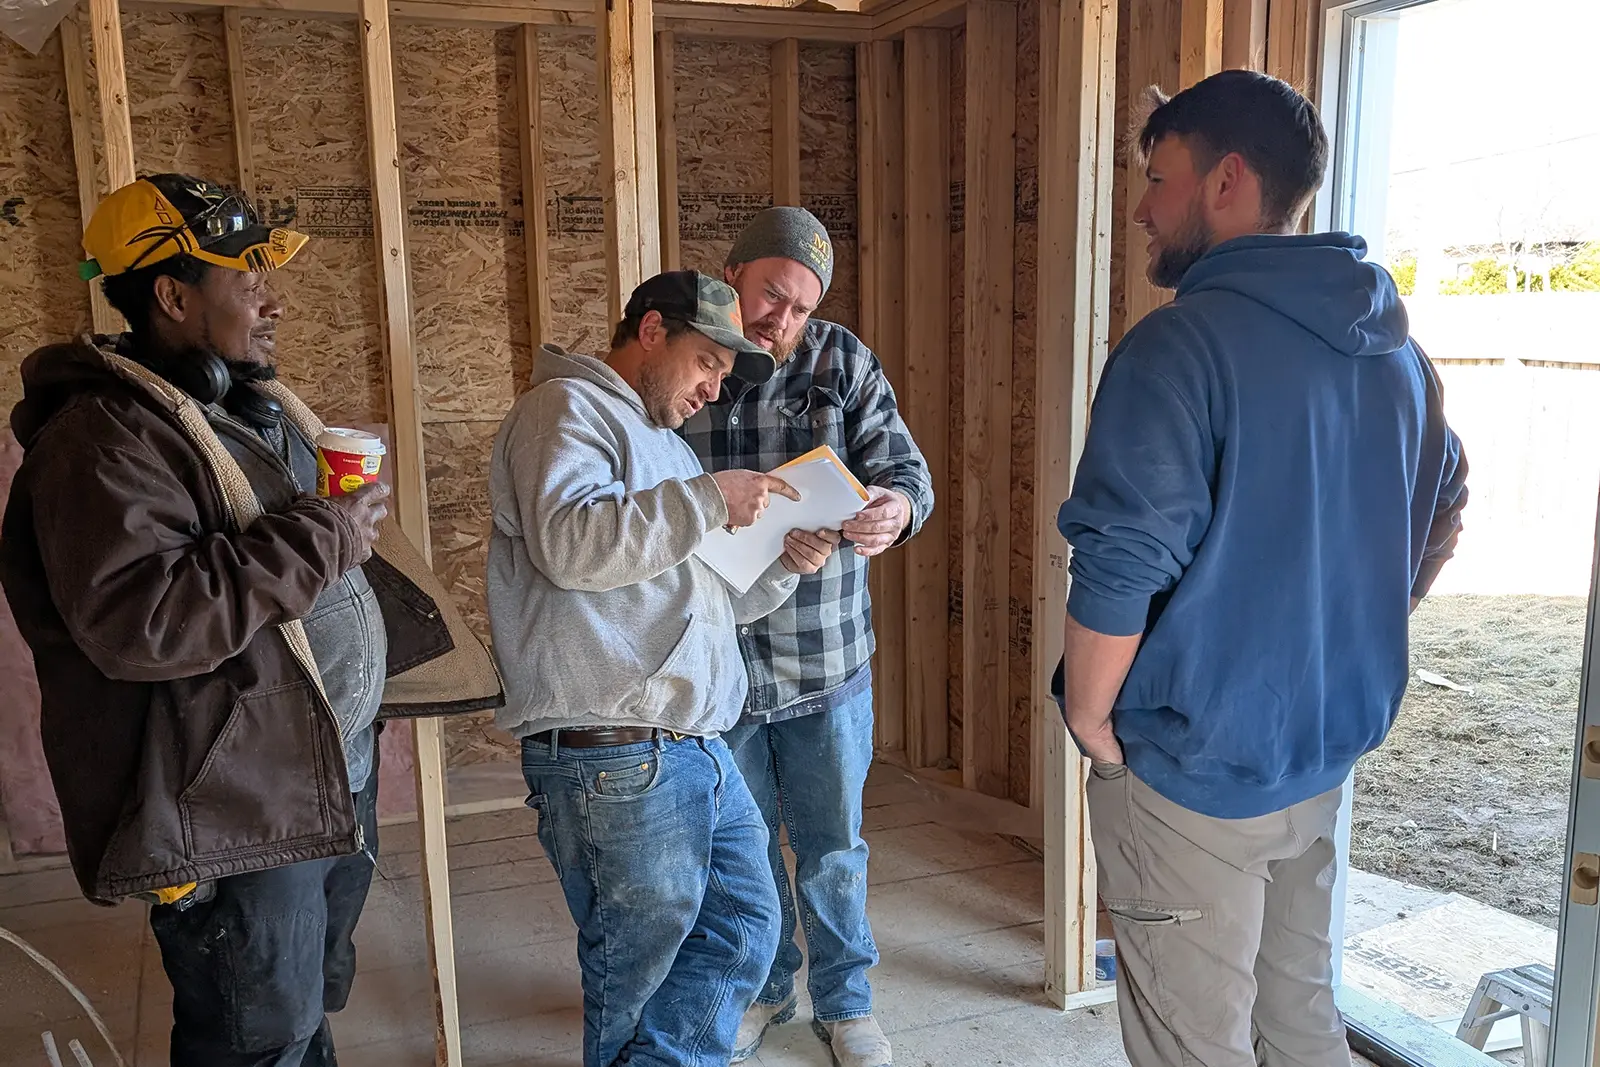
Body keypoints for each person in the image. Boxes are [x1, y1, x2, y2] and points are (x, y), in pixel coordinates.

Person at [0, 173, 501, 1067]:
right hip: (231, 810)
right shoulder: (102, 441)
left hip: (307, 779)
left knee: (299, 1009)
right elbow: (146, 619)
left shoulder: (230, 409)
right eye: (247, 280)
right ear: (172, 296)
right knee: (251, 1033)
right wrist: (324, 534)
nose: (274, 302)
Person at [1053, 71, 1469, 1067]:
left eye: (1158, 178)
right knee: (1300, 1018)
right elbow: (1444, 504)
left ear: (1226, 180)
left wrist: (1091, 717)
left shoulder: (1176, 347)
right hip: (1322, 753)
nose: (1142, 207)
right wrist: (1355, 624)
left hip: (1193, 767)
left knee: (1193, 1041)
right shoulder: (1395, 355)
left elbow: (1122, 556)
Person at [487, 269, 837, 1067]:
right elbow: (571, 544)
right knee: (637, 972)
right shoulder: (565, 409)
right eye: (707, 362)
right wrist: (708, 498)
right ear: (651, 332)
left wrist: (782, 563)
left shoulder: (667, 444)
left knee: (746, 926)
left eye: (724, 373)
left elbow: (709, 596)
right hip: (616, 750)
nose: (714, 389)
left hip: (691, 744)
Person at [680, 207, 935, 1067]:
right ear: (733, 274)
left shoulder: (841, 360)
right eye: (770, 295)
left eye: (799, 307)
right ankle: (765, 988)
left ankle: (847, 1001)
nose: (780, 318)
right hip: (720, 659)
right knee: (743, 849)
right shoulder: (692, 358)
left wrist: (896, 507)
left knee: (831, 847)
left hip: (826, 653)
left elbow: (906, 470)